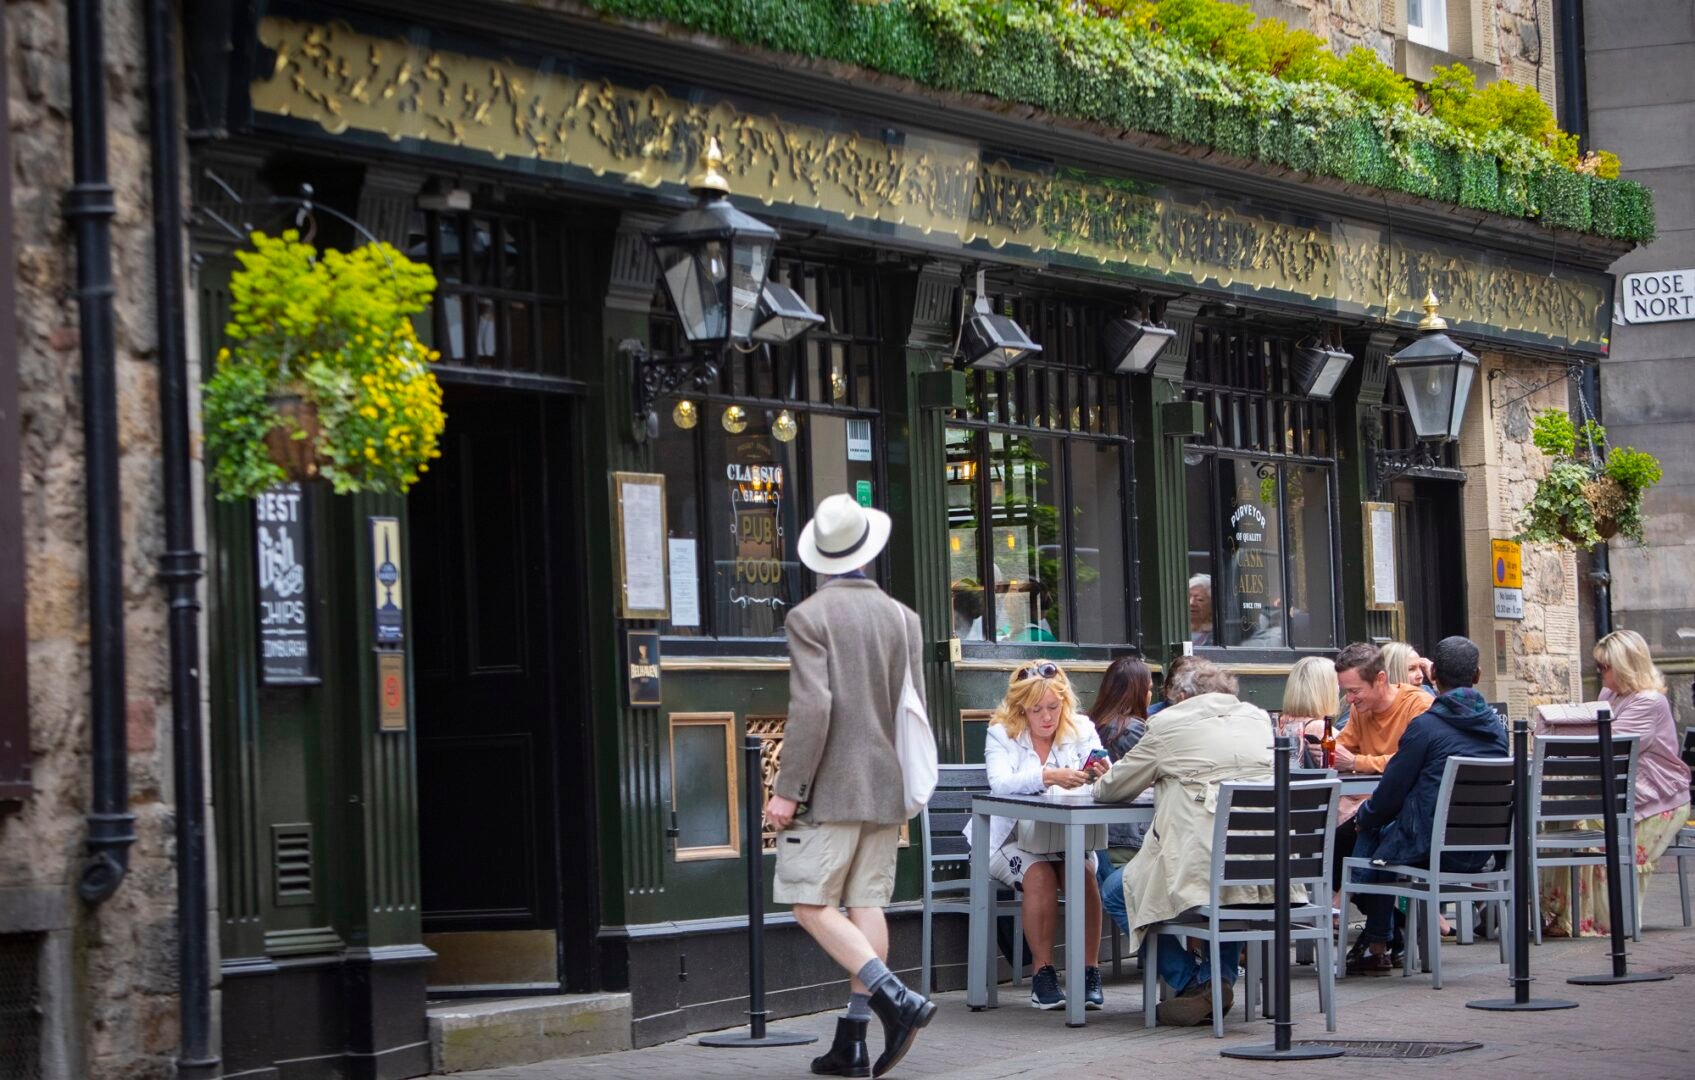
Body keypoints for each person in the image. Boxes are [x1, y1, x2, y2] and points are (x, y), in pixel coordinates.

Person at [766, 494, 934, 1078]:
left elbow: (813, 706)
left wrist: (788, 787)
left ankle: (897, 1000)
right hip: (888, 783)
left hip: (832, 786)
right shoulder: (904, 618)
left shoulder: (808, 617)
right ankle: (854, 1041)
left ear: (822, 556)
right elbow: (910, 707)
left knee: (808, 903)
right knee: (866, 903)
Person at [1092, 661, 1284, 1026]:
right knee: (1232, 892)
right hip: (1267, 870)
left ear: (1180, 697)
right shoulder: (1260, 721)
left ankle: (1190, 983)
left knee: (1117, 892)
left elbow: (1111, 788)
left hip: (1200, 866)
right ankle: (1218, 983)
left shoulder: (1168, 724)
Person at [1344, 636, 1508, 974]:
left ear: (1432, 675)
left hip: (1430, 846)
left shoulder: (1426, 727)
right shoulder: (1497, 729)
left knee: (1372, 829)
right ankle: (1379, 944)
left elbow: (1390, 793)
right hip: (1484, 850)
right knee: (1378, 830)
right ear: (1477, 676)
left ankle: (1377, 943)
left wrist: (1365, 816)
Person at [970, 661, 1110, 1011]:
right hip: (1007, 838)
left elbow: (1110, 774)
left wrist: (1102, 773)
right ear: (1021, 709)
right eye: (1037, 710)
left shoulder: (1081, 728)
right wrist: (1048, 776)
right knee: (1040, 876)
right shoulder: (1001, 732)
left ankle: (1089, 972)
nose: (1047, 717)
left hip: (1064, 836)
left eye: (1053, 707)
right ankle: (1043, 973)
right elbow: (1000, 785)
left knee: (1086, 874)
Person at [1539, 629, 1693, 937]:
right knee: (1562, 817)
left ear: (1625, 666)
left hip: (1655, 801)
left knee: (1588, 825)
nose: (1600, 673)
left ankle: (1605, 920)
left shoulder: (1650, 702)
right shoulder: (1610, 696)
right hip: (1620, 794)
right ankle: (1567, 914)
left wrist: (1552, 728)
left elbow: (1607, 743)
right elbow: (1593, 729)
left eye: (1605, 667)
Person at [1090, 657, 1154, 935]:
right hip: (1128, 840)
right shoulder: (1133, 730)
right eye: (1149, 688)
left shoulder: (1094, 726)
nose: (1152, 694)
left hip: (1098, 837)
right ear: (1138, 691)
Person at [1333, 642, 1431, 777]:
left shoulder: (1418, 704)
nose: (1349, 699)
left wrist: (1355, 762)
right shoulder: (1360, 708)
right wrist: (1323, 752)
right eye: (1346, 691)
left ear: (1380, 679)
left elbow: (1412, 760)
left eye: (1354, 690)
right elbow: (1341, 750)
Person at [1278, 656, 1338, 771]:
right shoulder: (1320, 728)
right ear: (1326, 690)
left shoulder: (1281, 723)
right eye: (1337, 683)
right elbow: (1350, 758)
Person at [1188, 574, 1214, 646]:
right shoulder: (1175, 634)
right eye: (1188, 597)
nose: (1191, 603)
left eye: (1200, 599)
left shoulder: (1216, 638)